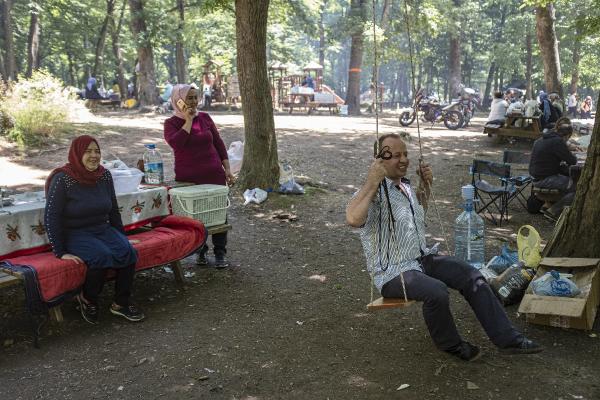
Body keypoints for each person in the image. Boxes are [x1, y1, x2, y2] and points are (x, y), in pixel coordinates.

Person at [346, 133, 542, 361]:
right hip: (393, 272)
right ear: (379, 159)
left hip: (421, 259)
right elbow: (353, 218)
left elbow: (416, 215)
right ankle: (452, 345)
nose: (403, 160)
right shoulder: (372, 193)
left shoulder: (405, 187)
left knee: (471, 275)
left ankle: (508, 339)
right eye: (395, 155)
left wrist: (424, 186)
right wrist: (372, 181)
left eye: (406, 154)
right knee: (436, 291)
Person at [44, 135, 145, 324]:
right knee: (101, 256)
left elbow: (113, 210)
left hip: (102, 229)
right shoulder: (63, 179)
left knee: (128, 252)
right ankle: (88, 298)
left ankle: (120, 303)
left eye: (97, 151)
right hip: (75, 232)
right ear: (76, 153)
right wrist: (60, 252)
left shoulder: (104, 175)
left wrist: (121, 237)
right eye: (87, 151)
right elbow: (51, 216)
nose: (93, 156)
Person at [164, 84, 235, 267]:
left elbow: (218, 144)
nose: (194, 102)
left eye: (196, 97)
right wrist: (188, 120)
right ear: (178, 100)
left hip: (214, 174)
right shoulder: (171, 123)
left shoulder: (205, 117)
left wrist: (227, 169)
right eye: (190, 98)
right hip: (189, 179)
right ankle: (200, 252)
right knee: (195, 216)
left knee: (219, 213)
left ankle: (220, 253)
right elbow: (177, 144)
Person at [529, 118, 580, 220]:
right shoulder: (558, 142)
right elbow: (572, 161)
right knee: (578, 188)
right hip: (544, 179)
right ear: (567, 136)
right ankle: (553, 211)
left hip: (535, 177)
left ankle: (548, 206)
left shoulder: (542, 139)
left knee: (568, 179)